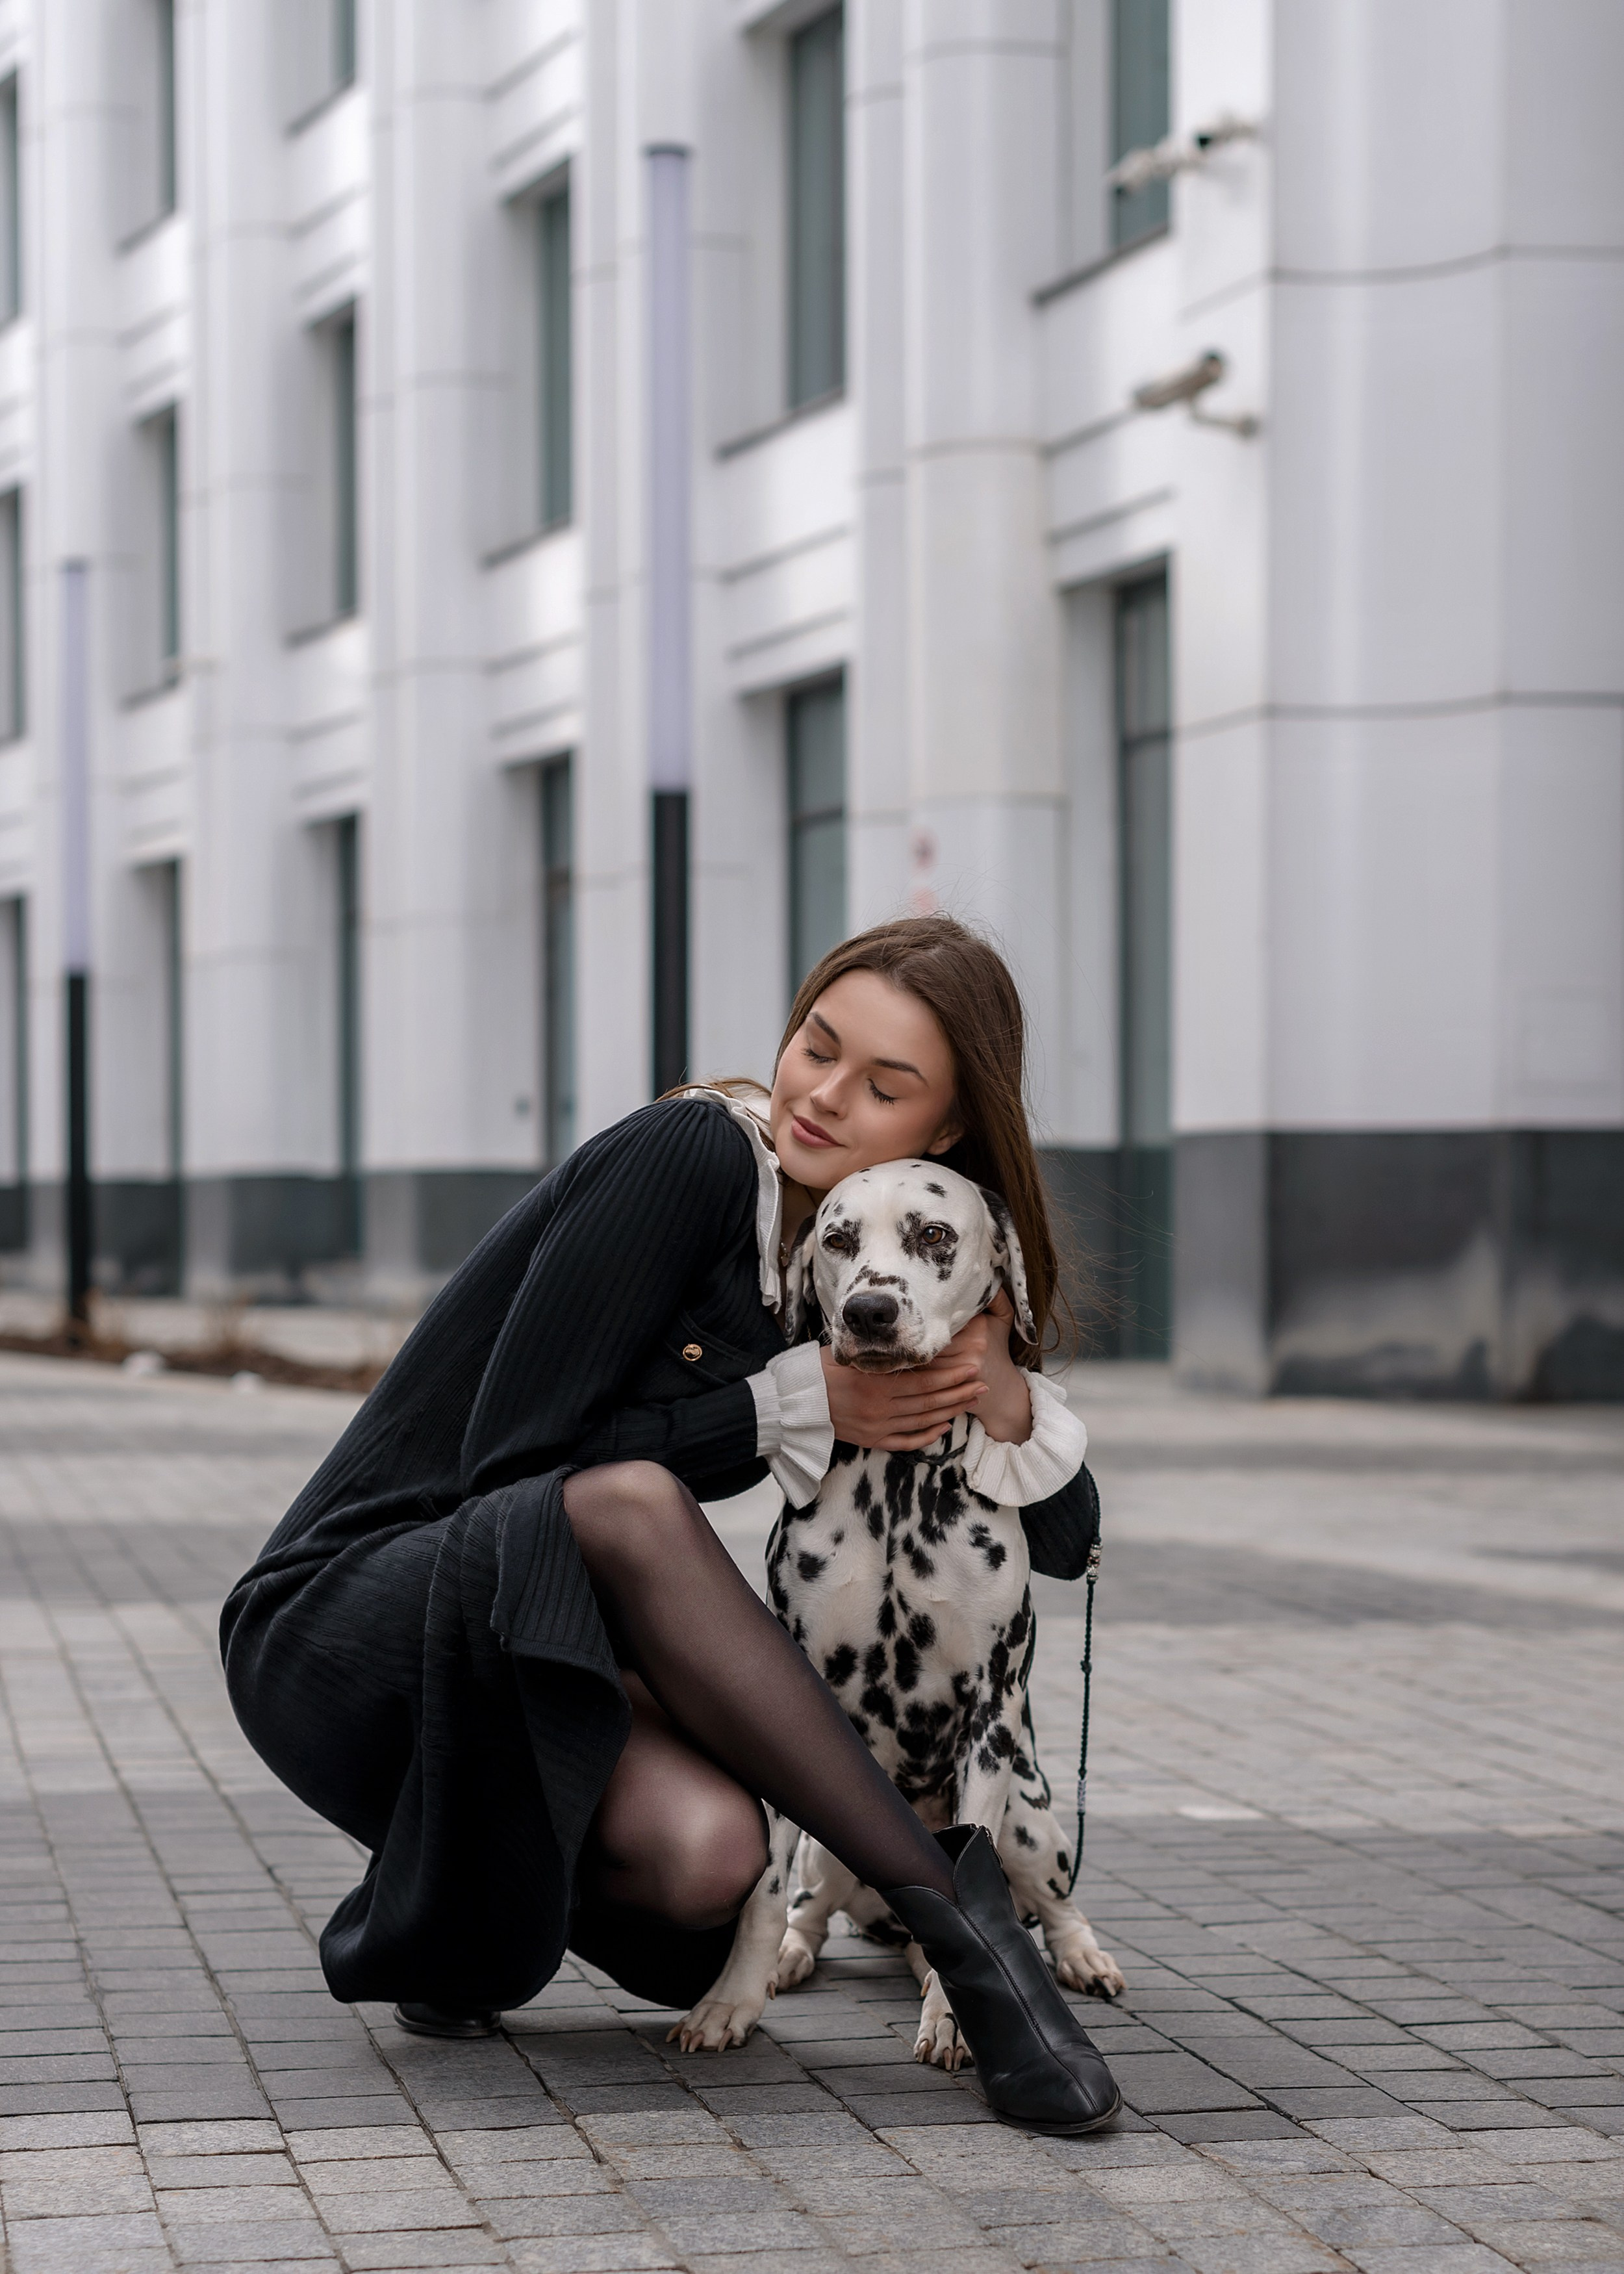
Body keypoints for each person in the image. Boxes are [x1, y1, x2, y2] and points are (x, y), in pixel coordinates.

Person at [221, 915, 1119, 2134]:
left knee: (707, 1857)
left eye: (884, 1085)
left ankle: (450, 1919)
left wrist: (1004, 1392)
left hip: (526, 1654)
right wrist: (791, 1403)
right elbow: (511, 1463)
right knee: (636, 1503)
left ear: (947, 1129)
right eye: (818, 1046)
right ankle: (971, 1939)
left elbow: (1066, 1548)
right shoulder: (695, 1153)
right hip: (346, 1620)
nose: (824, 1096)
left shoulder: (882, 1255)